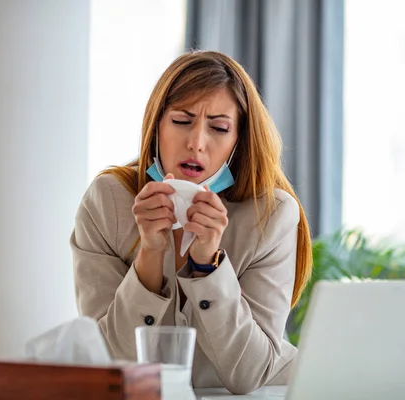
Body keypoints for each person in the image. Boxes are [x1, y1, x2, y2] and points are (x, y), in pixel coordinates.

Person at [70, 50, 312, 394]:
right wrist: (150, 254)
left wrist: (208, 265)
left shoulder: (271, 216)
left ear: (237, 142)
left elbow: (250, 374)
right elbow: (110, 366)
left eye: (219, 128)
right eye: (182, 121)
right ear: (156, 126)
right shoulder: (108, 202)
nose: (196, 143)